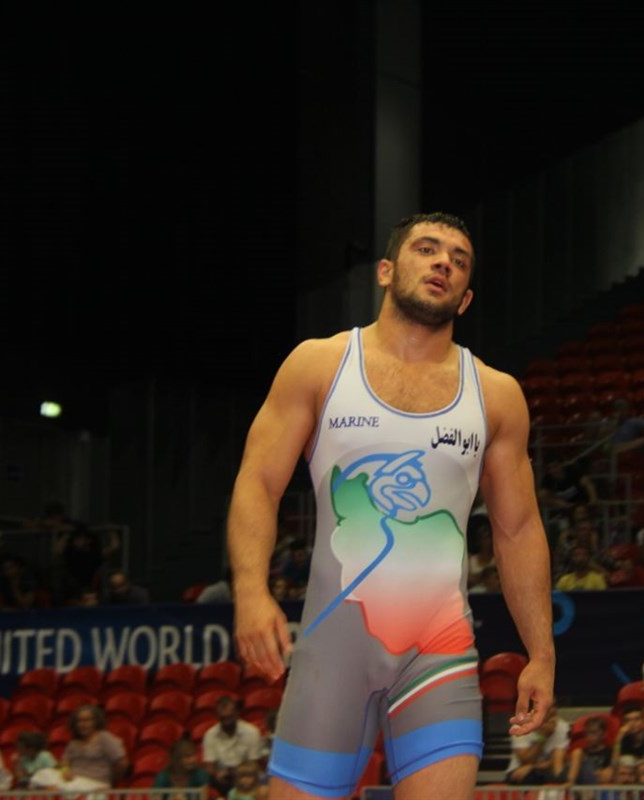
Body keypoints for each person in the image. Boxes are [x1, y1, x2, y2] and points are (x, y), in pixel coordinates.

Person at [227, 213, 555, 799]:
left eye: (458, 259)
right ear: (385, 270)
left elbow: (518, 529)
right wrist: (251, 590)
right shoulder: (319, 365)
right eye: (427, 249)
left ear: (466, 297)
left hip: (439, 654)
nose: (443, 262)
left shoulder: (496, 395)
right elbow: (258, 482)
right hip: (333, 653)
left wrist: (542, 653)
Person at [30, 705, 127, 792]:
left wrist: (112, 780)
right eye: (79, 721)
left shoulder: (105, 738)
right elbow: (64, 762)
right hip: (72, 779)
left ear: (96, 722)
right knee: (43, 774)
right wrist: (65, 771)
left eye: (87, 720)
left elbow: (121, 763)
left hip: (95, 782)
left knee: (66, 789)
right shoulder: (73, 743)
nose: (83, 724)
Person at [202, 696, 266, 796]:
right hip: (221, 779)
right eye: (223, 718)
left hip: (245, 775)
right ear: (217, 716)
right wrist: (217, 773)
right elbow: (209, 767)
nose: (227, 721)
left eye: (230, 717)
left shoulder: (251, 732)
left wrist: (237, 773)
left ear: (237, 714)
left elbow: (253, 763)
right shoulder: (210, 735)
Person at [504, 704, 568, 785]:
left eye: (553, 715)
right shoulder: (519, 728)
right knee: (528, 777)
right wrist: (542, 737)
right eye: (547, 716)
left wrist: (532, 767)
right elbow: (526, 760)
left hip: (546, 768)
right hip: (519, 769)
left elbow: (559, 760)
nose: (552, 721)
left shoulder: (562, 727)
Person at [566, 716, 614, 785]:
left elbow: (608, 775)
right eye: (587, 733)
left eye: (594, 733)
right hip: (581, 785)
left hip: (597, 786)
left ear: (604, 734)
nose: (589, 737)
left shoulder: (609, 752)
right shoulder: (581, 753)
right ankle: (570, 782)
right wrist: (597, 773)